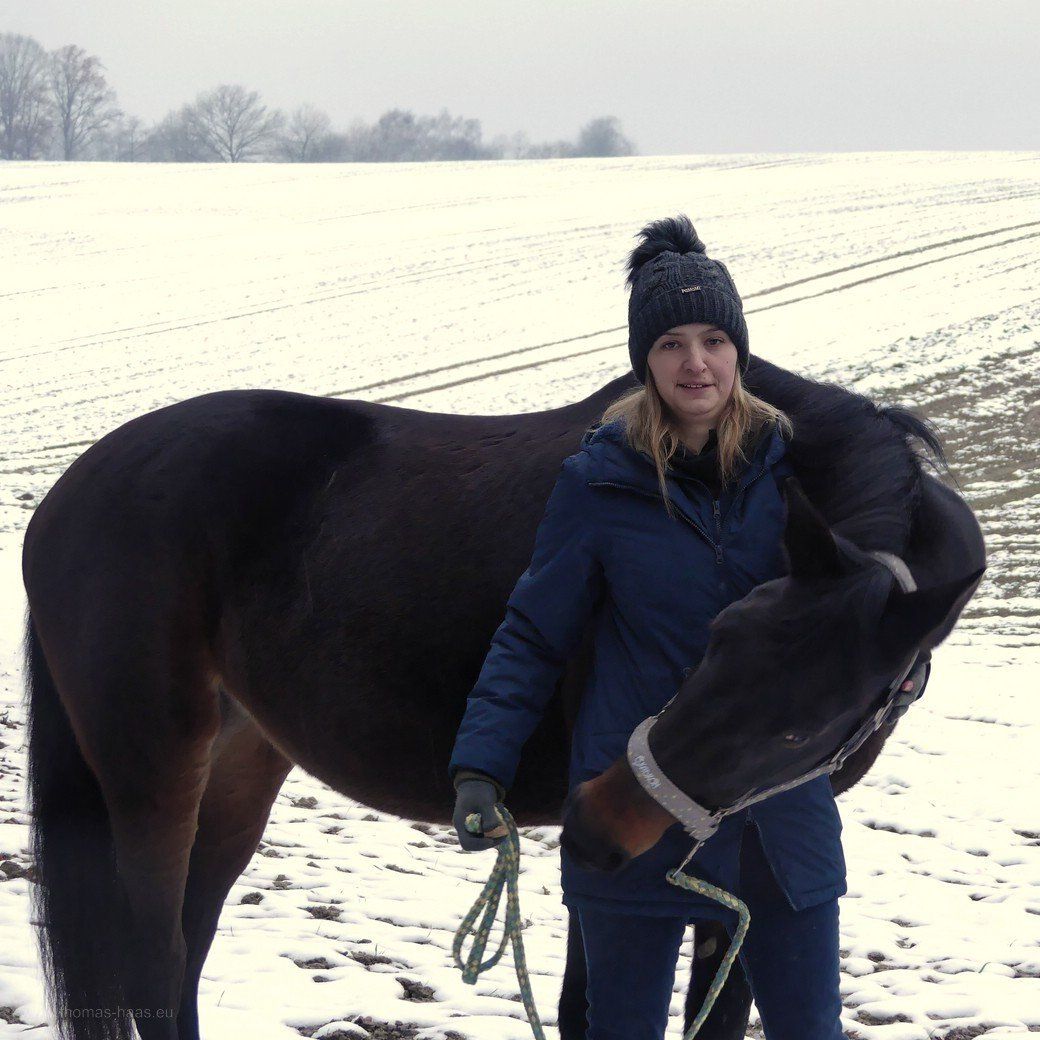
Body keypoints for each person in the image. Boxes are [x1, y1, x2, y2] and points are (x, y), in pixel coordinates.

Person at [447, 215, 925, 1040]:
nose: (695, 362)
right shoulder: (596, 481)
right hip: (634, 801)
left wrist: (902, 667)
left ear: (740, 352)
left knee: (807, 1028)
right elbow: (534, 633)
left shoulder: (799, 476)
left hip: (777, 819)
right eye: (671, 342)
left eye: (713, 339)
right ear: (645, 361)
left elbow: (865, 620)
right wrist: (479, 767)